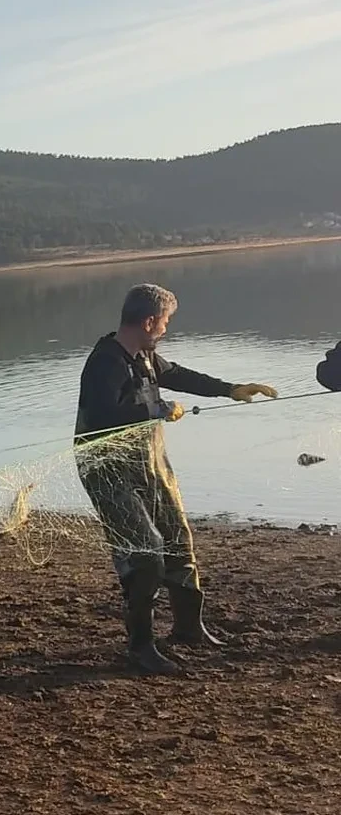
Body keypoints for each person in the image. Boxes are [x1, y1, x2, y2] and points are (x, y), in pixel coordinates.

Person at [74, 283, 277, 675]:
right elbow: (103, 415)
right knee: (145, 552)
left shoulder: (144, 354)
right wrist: (160, 407)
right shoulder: (106, 361)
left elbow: (178, 375)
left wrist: (230, 389)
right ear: (149, 321)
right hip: (107, 471)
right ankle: (141, 647)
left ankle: (188, 629)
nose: (166, 328)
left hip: (149, 464)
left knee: (177, 538)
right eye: (165, 322)